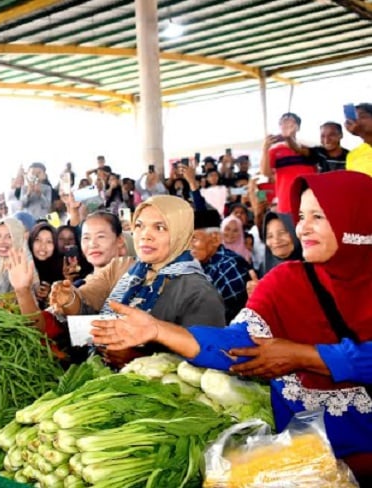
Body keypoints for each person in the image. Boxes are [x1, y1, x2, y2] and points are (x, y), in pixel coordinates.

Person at [90, 171, 372, 483]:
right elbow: (236, 345)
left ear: (356, 221)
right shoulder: (284, 282)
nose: (302, 227)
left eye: (318, 216)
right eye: (302, 215)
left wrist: (304, 356)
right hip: (310, 467)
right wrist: (158, 331)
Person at [48, 195, 225, 368]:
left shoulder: (199, 292)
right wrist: (68, 298)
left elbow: (206, 364)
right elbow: (86, 306)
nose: (145, 235)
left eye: (160, 227)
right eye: (139, 225)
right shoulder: (131, 271)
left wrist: (137, 359)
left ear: (182, 233)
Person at [191, 209, 251, 322]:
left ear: (215, 239)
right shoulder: (200, 263)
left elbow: (212, 315)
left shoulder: (230, 266)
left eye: (194, 238)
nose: (188, 246)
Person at [261, 112, 317, 213]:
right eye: (283, 122)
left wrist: (289, 138)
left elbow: (299, 149)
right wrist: (265, 149)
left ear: (298, 127)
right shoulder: (274, 150)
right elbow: (266, 173)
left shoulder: (309, 148)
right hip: (286, 203)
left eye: (291, 121)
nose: (286, 124)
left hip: (309, 201)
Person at [0, 217, 37, 295]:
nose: (1, 241)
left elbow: (34, 294)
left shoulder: (25, 262)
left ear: (18, 238)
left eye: (9, 236)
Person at [29, 222, 64, 307]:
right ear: (31, 242)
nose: (43, 246)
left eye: (49, 241)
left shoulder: (63, 268)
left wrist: (52, 294)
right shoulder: (23, 267)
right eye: (38, 240)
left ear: (55, 245)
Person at [345, 103, 372, 177]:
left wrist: (361, 133)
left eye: (362, 116)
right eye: (355, 118)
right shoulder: (353, 154)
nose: (357, 122)